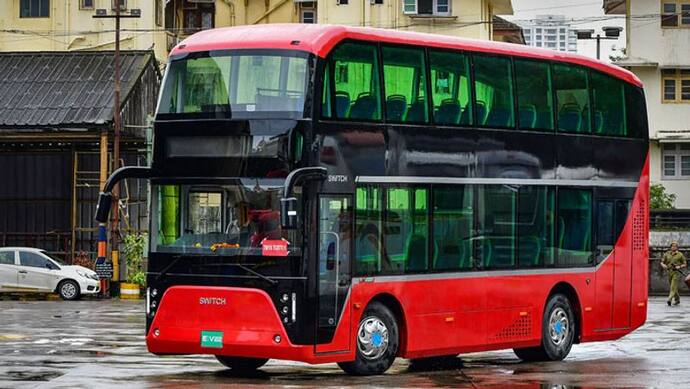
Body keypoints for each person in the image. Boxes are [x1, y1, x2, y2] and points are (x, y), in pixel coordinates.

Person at [661, 242, 687, 306]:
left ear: (677, 247)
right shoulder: (667, 254)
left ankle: (669, 299)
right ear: (670, 247)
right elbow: (662, 262)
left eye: (675, 246)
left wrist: (679, 266)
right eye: (673, 246)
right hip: (669, 272)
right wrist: (663, 265)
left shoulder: (680, 254)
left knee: (673, 287)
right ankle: (677, 299)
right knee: (673, 287)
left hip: (676, 272)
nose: (674, 247)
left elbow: (685, 263)